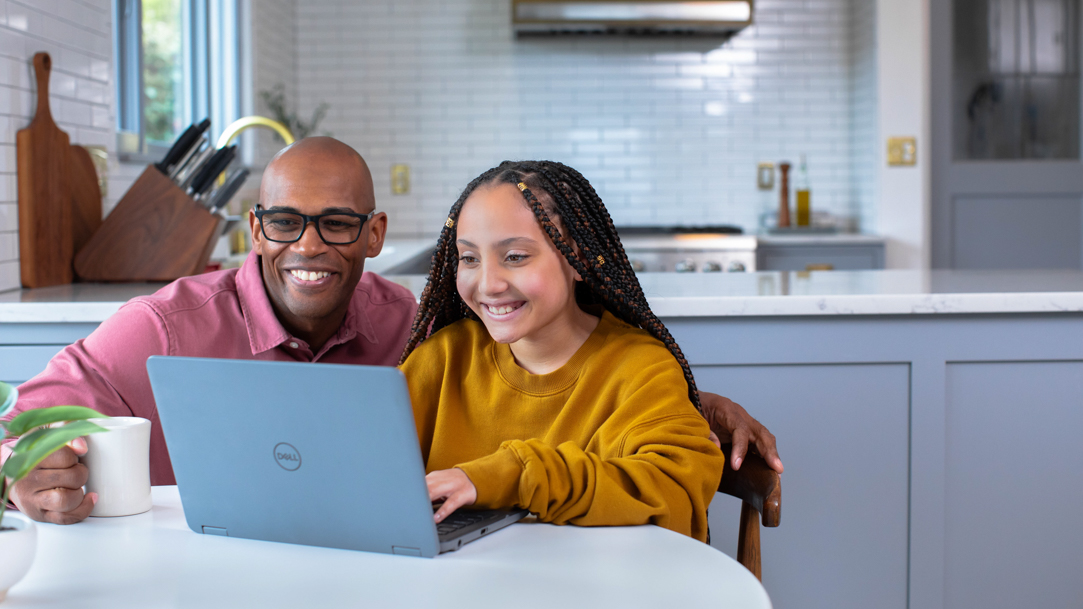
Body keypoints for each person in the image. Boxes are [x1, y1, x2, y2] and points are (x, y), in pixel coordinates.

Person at [1, 138, 781, 527]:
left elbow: (577, 384)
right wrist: (18, 470)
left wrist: (688, 400)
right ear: (253, 229)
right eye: (284, 221)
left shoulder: (414, 331)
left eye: (336, 224)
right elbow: (23, 422)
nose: (307, 246)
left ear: (374, 234)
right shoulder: (163, 326)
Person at [401, 161, 723, 542]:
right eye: (469, 258)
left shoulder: (639, 369)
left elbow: (672, 493)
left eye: (515, 256)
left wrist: (516, 475)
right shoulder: (442, 357)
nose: (488, 284)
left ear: (578, 258)